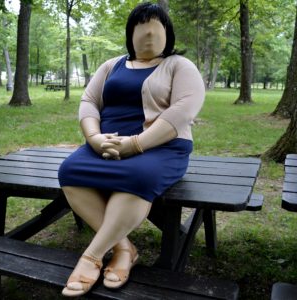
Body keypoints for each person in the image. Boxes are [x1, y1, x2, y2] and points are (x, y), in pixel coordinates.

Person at [58, 2, 205, 297]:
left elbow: (182, 111)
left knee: (137, 178)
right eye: (142, 26)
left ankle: (92, 256)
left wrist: (137, 144)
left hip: (162, 148)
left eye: (157, 27)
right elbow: (88, 102)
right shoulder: (111, 65)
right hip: (107, 143)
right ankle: (124, 248)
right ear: (130, 33)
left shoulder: (179, 65)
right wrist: (94, 138)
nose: (149, 33)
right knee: (70, 172)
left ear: (168, 33)